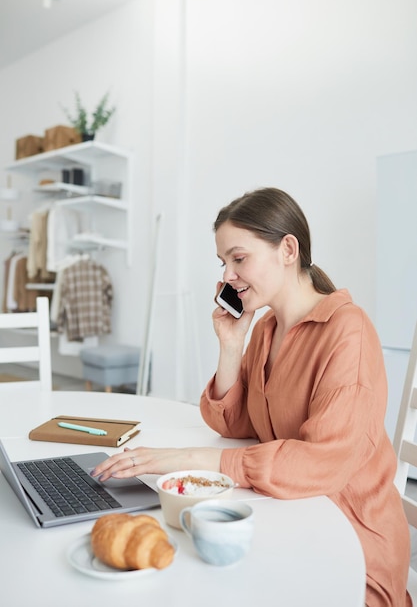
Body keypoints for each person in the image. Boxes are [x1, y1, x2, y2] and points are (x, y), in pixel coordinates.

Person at [92, 187, 411, 607]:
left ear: (288, 250)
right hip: (291, 520)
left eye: (239, 258)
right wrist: (231, 344)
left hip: (351, 551)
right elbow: (235, 423)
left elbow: (322, 463)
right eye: (223, 263)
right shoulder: (265, 329)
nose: (227, 275)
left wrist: (186, 459)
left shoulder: (347, 331)